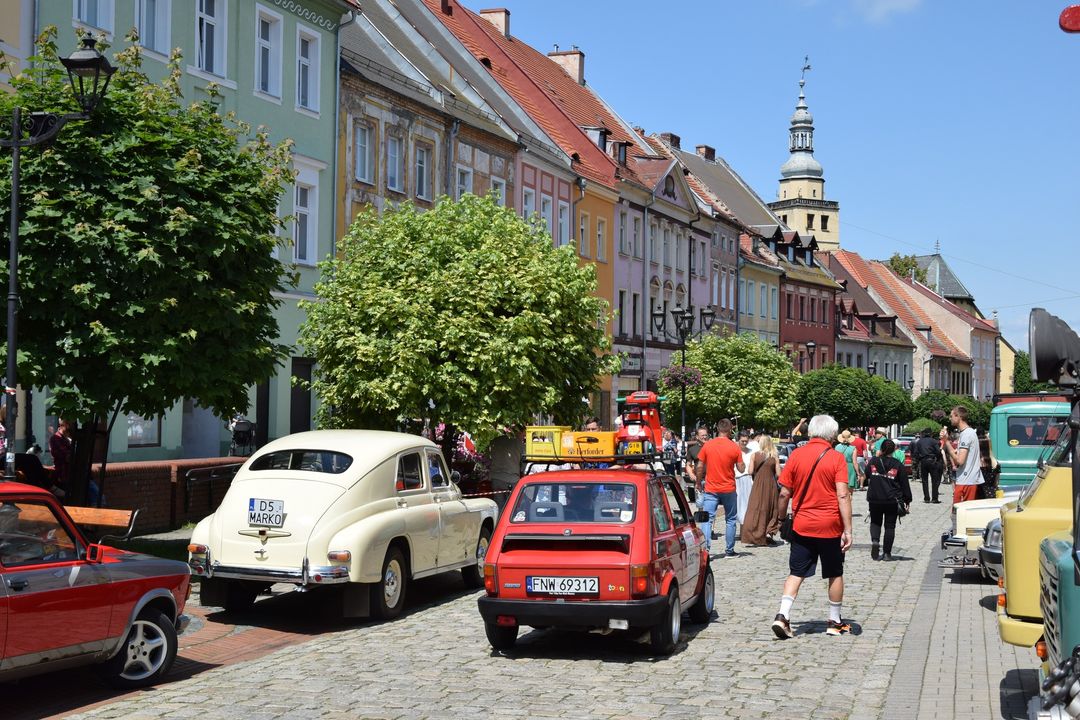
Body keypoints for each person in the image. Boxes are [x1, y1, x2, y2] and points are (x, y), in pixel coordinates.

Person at [771, 414, 853, 640]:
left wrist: (780, 519)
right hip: (830, 525)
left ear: (811, 432)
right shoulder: (836, 458)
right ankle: (834, 621)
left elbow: (784, 493)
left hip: (802, 524)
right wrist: (848, 529)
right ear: (832, 435)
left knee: (796, 572)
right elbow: (843, 495)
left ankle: (782, 615)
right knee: (835, 572)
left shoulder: (796, 455)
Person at [697, 418, 745, 557]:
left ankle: (706, 551)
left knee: (707, 519)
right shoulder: (734, 447)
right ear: (730, 430)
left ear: (718, 429)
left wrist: (698, 482)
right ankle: (729, 551)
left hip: (711, 488)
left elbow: (699, 466)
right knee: (730, 520)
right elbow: (741, 469)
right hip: (728, 488)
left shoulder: (708, 445)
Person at [865, 439, 912, 561]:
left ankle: (875, 541)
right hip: (892, 499)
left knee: (875, 522)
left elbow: (867, 474)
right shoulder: (897, 464)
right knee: (890, 526)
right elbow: (904, 484)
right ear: (894, 450)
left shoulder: (873, 461)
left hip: (875, 498)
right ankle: (887, 553)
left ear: (881, 449)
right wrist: (907, 500)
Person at [741, 434, 781, 546]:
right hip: (771, 485)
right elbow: (779, 474)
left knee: (756, 508)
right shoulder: (774, 456)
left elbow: (750, 472)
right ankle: (769, 532)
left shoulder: (754, 455)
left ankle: (754, 533)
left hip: (757, 485)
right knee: (771, 508)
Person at [941, 406, 982, 504]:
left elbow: (960, 461)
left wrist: (946, 441)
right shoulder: (967, 433)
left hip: (966, 481)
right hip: (968, 480)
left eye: (951, 416)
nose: (950, 418)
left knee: (959, 511)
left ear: (958, 416)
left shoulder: (967, 434)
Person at [912, 427, 944, 503]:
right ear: (930, 434)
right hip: (932, 461)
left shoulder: (919, 442)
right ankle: (934, 498)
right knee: (934, 480)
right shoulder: (933, 441)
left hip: (923, 461)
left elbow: (915, 453)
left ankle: (926, 498)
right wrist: (938, 459)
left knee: (924, 481)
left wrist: (919, 459)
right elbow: (938, 452)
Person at [735, 430, 754, 525]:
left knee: (748, 504)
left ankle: (746, 525)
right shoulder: (734, 451)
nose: (744, 443)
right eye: (742, 441)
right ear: (738, 440)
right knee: (737, 504)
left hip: (748, 479)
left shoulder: (751, 452)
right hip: (736, 479)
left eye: (746, 441)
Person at [49, 419, 73, 492]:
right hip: (62, 475)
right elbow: (67, 457)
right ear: (63, 425)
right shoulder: (56, 438)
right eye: (69, 424)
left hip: (70, 475)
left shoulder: (67, 438)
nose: (71, 426)